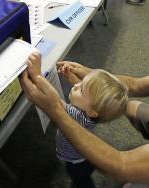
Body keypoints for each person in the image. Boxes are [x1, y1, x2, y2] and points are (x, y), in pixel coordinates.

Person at [20, 0, 149, 187]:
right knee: (127, 104)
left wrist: (55, 109)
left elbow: (122, 165)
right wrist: (93, 77)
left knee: (131, 182)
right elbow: (137, 85)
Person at [26, 53, 128, 188]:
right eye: (80, 83)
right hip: (85, 155)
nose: (75, 86)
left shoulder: (77, 116)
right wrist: (71, 77)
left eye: (81, 90)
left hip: (76, 162)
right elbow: (89, 96)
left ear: (92, 111)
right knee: (88, 169)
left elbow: (54, 101)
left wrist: (37, 74)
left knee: (81, 181)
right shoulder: (92, 114)